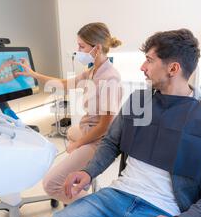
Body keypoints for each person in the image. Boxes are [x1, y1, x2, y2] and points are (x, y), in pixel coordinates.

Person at [14, 29, 201, 217]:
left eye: (149, 61)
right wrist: (88, 172)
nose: (142, 67)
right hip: (114, 200)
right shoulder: (139, 101)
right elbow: (111, 142)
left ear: (173, 68)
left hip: (162, 214)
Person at [13, 22, 123, 204]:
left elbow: (104, 126)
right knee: (71, 131)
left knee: (51, 184)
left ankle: (92, 209)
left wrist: (79, 144)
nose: (77, 50)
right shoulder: (92, 71)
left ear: (96, 48)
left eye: (81, 46)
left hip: (100, 138)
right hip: (88, 129)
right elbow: (65, 84)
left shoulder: (109, 78)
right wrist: (32, 74)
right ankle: (84, 175)